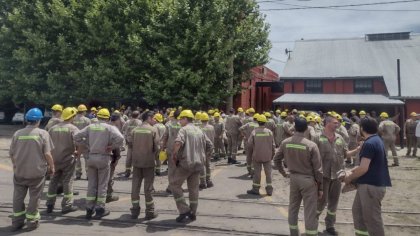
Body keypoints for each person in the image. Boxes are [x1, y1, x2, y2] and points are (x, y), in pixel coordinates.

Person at [273, 118, 323, 236]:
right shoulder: (311, 145)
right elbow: (318, 170)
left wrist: (284, 173)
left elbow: (276, 159)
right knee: (310, 211)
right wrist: (320, 187)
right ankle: (311, 234)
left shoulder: (286, 142)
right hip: (308, 181)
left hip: (294, 179)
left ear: (294, 128)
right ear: (306, 129)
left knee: (293, 207)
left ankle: (294, 232)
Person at [344, 117, 391, 236]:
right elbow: (368, 165)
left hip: (370, 187)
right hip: (367, 185)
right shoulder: (376, 140)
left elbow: (364, 168)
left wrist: (349, 177)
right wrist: (354, 170)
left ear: (362, 129)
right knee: (358, 212)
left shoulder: (369, 143)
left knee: (372, 219)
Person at [10, 108, 55, 231]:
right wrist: (52, 167)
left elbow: (12, 154)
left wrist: (16, 166)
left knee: (18, 196)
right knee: (35, 197)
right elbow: (47, 154)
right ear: (39, 120)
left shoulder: (17, 133)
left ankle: (17, 222)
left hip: (20, 172)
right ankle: (32, 221)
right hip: (37, 172)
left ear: (27, 119)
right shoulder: (42, 134)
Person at [74, 108, 124, 219]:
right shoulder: (110, 128)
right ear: (108, 118)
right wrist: (112, 146)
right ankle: (100, 209)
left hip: (91, 157)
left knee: (91, 184)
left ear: (98, 116)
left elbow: (76, 137)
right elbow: (120, 138)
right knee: (102, 185)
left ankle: (89, 209)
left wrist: (87, 145)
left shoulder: (90, 127)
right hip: (103, 158)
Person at [313, 115, 358, 235]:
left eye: (337, 123)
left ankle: (330, 225)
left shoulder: (340, 138)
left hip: (337, 175)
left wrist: (358, 149)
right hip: (323, 176)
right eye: (335, 123)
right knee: (321, 201)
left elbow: (346, 154)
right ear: (327, 123)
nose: (337, 125)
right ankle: (312, 222)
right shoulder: (317, 137)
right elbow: (311, 157)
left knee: (334, 202)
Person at [170, 110, 213, 223]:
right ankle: (193, 212)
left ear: (185, 119)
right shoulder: (199, 130)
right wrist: (204, 157)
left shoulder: (184, 130)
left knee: (174, 185)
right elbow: (210, 145)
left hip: (186, 164)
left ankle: (184, 210)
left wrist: (174, 156)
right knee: (194, 189)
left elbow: (178, 143)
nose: (179, 121)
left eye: (180, 119)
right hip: (198, 164)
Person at [46, 107, 79, 214]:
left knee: (53, 181)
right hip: (68, 160)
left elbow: (47, 145)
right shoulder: (73, 129)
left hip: (54, 159)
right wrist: (77, 152)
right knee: (68, 181)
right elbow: (80, 142)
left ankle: (50, 204)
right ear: (72, 116)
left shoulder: (52, 128)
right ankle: (67, 205)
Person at [127, 111, 159, 220]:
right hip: (149, 162)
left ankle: (135, 211)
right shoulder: (153, 130)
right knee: (148, 188)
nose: (154, 120)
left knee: (135, 187)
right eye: (153, 118)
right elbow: (157, 147)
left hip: (136, 162)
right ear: (149, 118)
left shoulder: (134, 130)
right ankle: (150, 211)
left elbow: (129, 144)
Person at [246, 114, 275, 196]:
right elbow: (273, 145)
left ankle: (255, 189)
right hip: (267, 156)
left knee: (257, 173)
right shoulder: (269, 132)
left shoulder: (254, 132)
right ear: (265, 123)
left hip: (257, 156)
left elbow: (249, 144)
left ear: (258, 122)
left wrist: (251, 154)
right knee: (268, 173)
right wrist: (272, 154)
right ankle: (269, 190)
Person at [161, 110, 182, 193]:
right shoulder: (183, 124)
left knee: (171, 168)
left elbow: (165, 137)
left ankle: (170, 186)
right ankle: (177, 186)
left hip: (170, 149)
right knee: (180, 169)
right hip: (180, 150)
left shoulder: (168, 124)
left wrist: (163, 148)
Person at [73, 104, 91, 180]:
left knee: (77, 157)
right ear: (83, 111)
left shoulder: (73, 119)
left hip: (76, 141)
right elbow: (90, 131)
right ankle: (88, 174)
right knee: (87, 157)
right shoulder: (87, 120)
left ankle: (78, 173)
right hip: (85, 141)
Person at [122, 111, 142, 178]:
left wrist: (127, 135)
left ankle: (127, 171)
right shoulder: (139, 122)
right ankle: (137, 172)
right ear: (138, 115)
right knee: (137, 156)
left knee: (129, 156)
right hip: (137, 141)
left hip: (129, 141)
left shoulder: (127, 122)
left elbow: (123, 129)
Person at [199, 113, 215, 189]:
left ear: (201, 119)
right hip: (210, 148)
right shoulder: (212, 127)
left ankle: (203, 182)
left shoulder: (199, 128)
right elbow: (213, 137)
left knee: (202, 165)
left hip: (202, 148)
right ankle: (208, 180)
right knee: (208, 164)